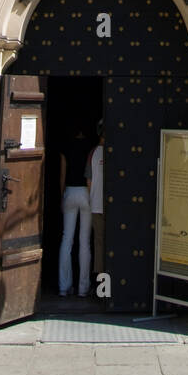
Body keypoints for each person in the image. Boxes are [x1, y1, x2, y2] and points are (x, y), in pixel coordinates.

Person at [59, 125, 93, 297]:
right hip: (86, 193)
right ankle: (83, 288)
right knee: (84, 241)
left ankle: (64, 287)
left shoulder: (66, 146)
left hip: (70, 191)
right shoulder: (90, 146)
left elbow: (62, 174)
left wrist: (61, 195)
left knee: (67, 239)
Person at [86, 120, 105, 296]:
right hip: (110, 207)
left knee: (99, 244)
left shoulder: (93, 153)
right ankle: (106, 290)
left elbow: (89, 182)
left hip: (96, 206)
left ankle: (101, 289)